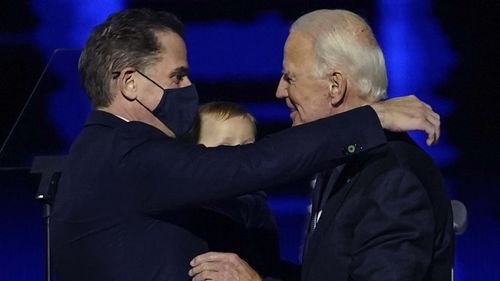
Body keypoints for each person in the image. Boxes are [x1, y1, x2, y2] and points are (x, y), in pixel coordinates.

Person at [50, 8, 441, 281]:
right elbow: (252, 163)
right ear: (130, 83)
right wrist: (372, 118)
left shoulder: (391, 175)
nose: (189, 89)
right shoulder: (124, 153)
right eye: (178, 76)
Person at [189, 9, 454, 281]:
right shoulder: (348, 161)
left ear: (335, 86)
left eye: (290, 78)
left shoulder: (393, 178)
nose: (279, 91)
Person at [186, 101, 294, 279]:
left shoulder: (256, 208)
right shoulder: (186, 203)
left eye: (247, 147)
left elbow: (267, 265)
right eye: (226, 148)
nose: (239, 157)